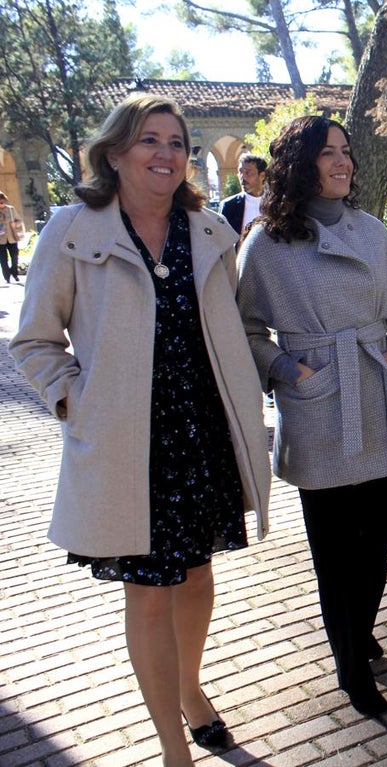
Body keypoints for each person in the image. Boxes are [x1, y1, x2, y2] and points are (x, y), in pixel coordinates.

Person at [10, 94, 272, 767]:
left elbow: (232, 330)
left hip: (202, 434)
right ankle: (170, 746)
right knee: (150, 595)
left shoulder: (209, 229)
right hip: (130, 446)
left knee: (199, 579)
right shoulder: (74, 228)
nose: (165, 153)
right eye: (149, 140)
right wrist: (77, 402)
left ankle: (190, 689)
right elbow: (35, 340)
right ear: (116, 152)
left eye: (177, 141)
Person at [236, 115, 387, 719]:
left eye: (346, 152)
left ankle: (358, 629)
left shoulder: (373, 232)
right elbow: (246, 328)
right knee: (336, 550)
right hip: (318, 406)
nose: (342, 163)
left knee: (382, 530)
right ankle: (350, 663)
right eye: (327, 153)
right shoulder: (267, 244)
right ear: (298, 164)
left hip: (374, 394)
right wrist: (290, 371)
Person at [220, 153, 268, 240]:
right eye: (240, 172)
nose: (243, 177)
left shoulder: (275, 204)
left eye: (248, 172)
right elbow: (222, 239)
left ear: (262, 175)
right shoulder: (229, 206)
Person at [0, 190, 23, 284]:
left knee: (15, 257)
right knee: (3, 259)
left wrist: (15, 224)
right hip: (1, 240)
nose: (1, 204)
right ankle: (7, 277)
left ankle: (14, 273)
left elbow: (20, 220)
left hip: (12, 238)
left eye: (2, 201)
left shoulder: (11, 209)